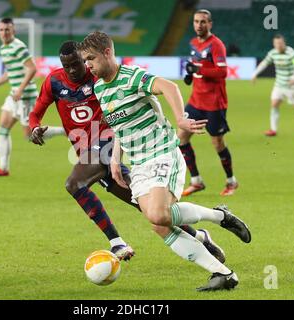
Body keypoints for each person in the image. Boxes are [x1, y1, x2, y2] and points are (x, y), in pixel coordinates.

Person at [78, 31, 252, 291]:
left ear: (107, 53)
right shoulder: (100, 88)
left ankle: (219, 217)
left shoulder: (131, 76)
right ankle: (223, 273)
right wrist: (116, 158)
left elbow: (168, 86)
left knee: (159, 214)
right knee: (158, 224)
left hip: (162, 153)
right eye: (84, 60)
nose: (87, 65)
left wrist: (181, 118)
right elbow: (119, 127)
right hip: (138, 165)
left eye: (91, 58)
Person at [29, 41, 226, 262]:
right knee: (149, 209)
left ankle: (117, 243)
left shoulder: (98, 79)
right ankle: (200, 236)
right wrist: (35, 127)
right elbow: (36, 112)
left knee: (74, 184)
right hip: (86, 149)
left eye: (78, 64)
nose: (74, 70)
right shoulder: (54, 81)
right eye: (68, 66)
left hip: (107, 141)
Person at [0, 17, 63, 177]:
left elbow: (32, 68)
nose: (4, 33)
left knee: (29, 135)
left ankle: (65, 131)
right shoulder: (4, 48)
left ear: (13, 30)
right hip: (14, 95)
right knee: (3, 129)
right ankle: (3, 168)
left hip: (25, 96)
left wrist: (20, 89)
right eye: (1, 30)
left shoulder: (18, 46)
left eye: (7, 29)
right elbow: (10, 72)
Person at [179, 9, 238, 197]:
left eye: (203, 22)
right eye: (196, 21)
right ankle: (196, 180)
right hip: (196, 102)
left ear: (210, 24)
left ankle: (231, 181)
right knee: (181, 139)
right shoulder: (193, 43)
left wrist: (199, 68)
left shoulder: (217, 45)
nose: (199, 25)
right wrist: (190, 74)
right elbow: (195, 64)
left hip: (214, 104)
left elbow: (222, 72)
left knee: (217, 143)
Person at [252, 34, 294, 138]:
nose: (278, 45)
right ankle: (273, 130)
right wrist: (255, 73)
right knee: (274, 104)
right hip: (279, 84)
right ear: (274, 44)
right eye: (276, 43)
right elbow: (264, 63)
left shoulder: (290, 52)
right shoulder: (273, 53)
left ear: (284, 43)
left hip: (291, 85)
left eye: (280, 43)